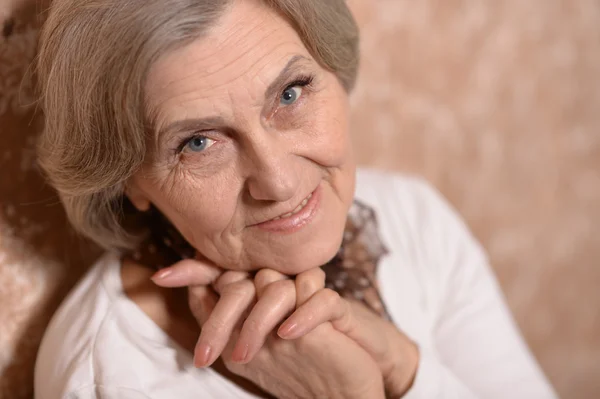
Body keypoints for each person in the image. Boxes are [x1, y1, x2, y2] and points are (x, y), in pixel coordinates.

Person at [33, 0, 558, 398]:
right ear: (127, 179)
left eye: (291, 93)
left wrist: (402, 367)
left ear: (334, 69)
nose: (279, 183)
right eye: (198, 143)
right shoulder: (112, 372)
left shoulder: (411, 217)